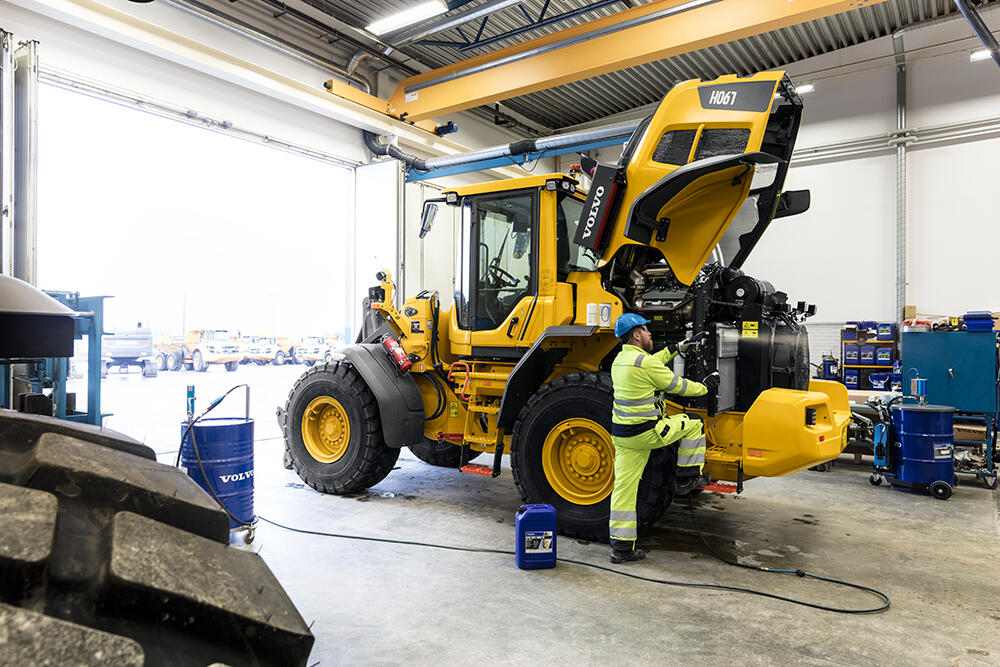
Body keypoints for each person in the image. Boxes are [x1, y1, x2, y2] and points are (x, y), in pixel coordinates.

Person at [608, 313, 720, 564]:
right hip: (648, 433)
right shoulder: (645, 364)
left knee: (624, 490)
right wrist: (706, 387)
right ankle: (686, 479)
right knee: (694, 424)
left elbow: (650, 362)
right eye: (646, 330)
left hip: (623, 436)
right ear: (636, 335)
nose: (651, 334)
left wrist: (676, 348)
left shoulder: (621, 360)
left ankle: (621, 548)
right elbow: (678, 386)